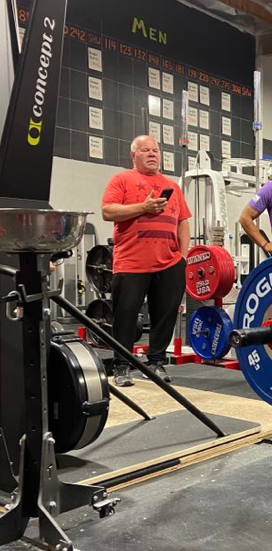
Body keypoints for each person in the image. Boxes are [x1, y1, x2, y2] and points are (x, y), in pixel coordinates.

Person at [101, 135, 191, 386]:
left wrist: (182, 258)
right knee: (125, 316)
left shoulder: (171, 185)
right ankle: (121, 366)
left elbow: (183, 222)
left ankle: (156, 363)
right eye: (146, 150)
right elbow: (108, 211)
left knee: (165, 315)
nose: (152, 154)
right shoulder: (121, 180)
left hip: (169, 263)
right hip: (131, 263)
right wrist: (144, 207)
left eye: (156, 150)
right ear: (134, 155)